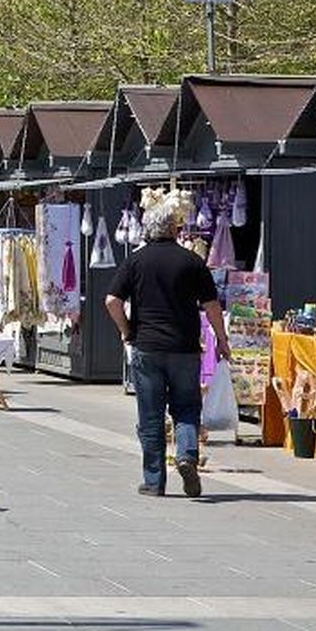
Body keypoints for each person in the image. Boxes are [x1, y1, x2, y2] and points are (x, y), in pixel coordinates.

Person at [105, 197, 230, 499]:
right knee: (186, 407)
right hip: (185, 347)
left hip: (147, 346)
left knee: (150, 415)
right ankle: (187, 456)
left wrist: (126, 331)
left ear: (148, 229)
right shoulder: (191, 261)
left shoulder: (135, 261)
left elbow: (112, 301)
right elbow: (212, 306)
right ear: (174, 229)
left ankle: (154, 481)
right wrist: (222, 341)